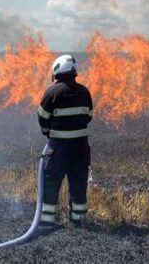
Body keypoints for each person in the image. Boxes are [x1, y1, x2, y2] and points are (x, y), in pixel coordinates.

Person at [37, 54, 93, 227]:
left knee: (51, 182)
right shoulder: (85, 92)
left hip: (58, 149)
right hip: (80, 148)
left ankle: (47, 220)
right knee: (78, 182)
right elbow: (89, 116)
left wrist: (48, 133)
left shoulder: (52, 92)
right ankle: (78, 219)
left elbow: (42, 118)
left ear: (57, 70)